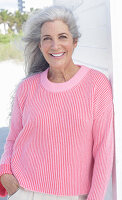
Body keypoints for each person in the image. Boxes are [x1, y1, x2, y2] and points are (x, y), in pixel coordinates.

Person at [0, 5, 114, 200]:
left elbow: (104, 148)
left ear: (75, 41)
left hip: (74, 195)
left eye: (62, 37)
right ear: (40, 45)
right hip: (24, 191)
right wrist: (5, 174)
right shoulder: (27, 87)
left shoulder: (96, 84)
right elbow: (13, 138)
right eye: (47, 39)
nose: (55, 46)